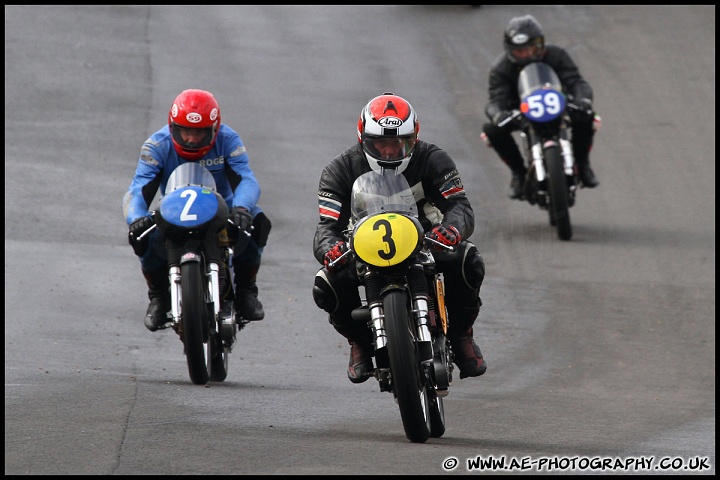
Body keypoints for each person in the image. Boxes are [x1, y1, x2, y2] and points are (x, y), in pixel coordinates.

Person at [312, 93, 487, 384]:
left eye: (398, 143)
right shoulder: (338, 170)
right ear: (364, 139)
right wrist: (331, 249)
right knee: (326, 282)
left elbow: (459, 206)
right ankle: (358, 343)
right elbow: (326, 226)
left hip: (427, 244)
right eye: (381, 142)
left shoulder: (434, 159)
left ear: (413, 140)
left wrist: (452, 230)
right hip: (363, 249)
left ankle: (461, 334)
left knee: (468, 259)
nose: (390, 151)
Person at [122, 89, 271, 331]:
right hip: (173, 211)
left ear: (214, 129)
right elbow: (137, 190)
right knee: (139, 234)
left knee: (259, 222)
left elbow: (246, 179)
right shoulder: (155, 146)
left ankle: (246, 290)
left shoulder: (229, 139)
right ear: (172, 128)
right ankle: (158, 296)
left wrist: (242, 208)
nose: (191, 139)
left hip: (224, 210)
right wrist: (136, 218)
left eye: (199, 132)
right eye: (185, 131)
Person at [481, 14, 599, 199]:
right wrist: (498, 115)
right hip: (520, 112)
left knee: (588, 116)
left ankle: (583, 165)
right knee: (491, 130)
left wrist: (583, 100)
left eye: (531, 48)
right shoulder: (501, 68)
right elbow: (496, 99)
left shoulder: (557, 55)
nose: (526, 54)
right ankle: (518, 174)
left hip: (559, 105)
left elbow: (576, 82)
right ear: (510, 50)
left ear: (540, 44)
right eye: (520, 51)